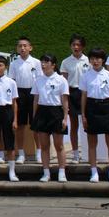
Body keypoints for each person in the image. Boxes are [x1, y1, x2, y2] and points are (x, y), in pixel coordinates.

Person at [81, 47, 109, 183]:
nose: (95, 61)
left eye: (98, 58)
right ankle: (94, 172)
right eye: (92, 59)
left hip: (106, 107)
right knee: (92, 142)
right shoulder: (86, 75)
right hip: (92, 107)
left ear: (103, 60)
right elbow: (84, 96)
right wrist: (83, 115)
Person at [31, 54, 69, 183]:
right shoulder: (38, 80)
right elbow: (36, 99)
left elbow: (64, 100)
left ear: (53, 65)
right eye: (42, 62)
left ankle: (62, 172)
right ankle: (46, 172)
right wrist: (35, 116)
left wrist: (65, 118)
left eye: (46, 62)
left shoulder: (61, 80)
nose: (43, 64)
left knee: (59, 145)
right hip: (42, 111)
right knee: (44, 145)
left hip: (56, 112)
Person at [10, 36, 41, 163]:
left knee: (36, 125)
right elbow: (11, 81)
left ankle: (39, 152)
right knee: (20, 125)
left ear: (30, 47)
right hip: (19, 93)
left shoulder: (37, 62)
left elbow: (40, 80)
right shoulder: (13, 63)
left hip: (34, 93)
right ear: (17, 48)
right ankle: (21, 153)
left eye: (25, 46)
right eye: (20, 46)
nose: (22, 48)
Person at [59, 34, 90, 163]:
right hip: (72, 93)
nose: (76, 47)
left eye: (78, 45)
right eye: (73, 45)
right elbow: (64, 81)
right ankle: (76, 154)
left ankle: (88, 153)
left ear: (83, 46)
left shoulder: (88, 60)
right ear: (70, 46)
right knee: (74, 125)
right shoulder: (66, 62)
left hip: (86, 93)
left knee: (87, 123)